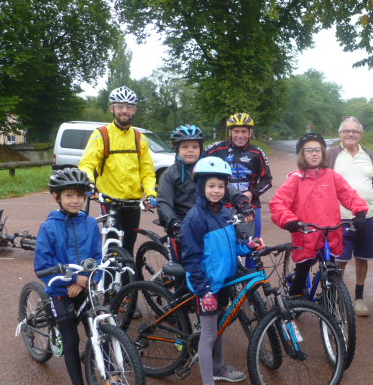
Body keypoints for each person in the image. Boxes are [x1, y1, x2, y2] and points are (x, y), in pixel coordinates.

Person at [181, 156, 262, 385]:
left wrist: (247, 246)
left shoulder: (226, 213)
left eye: (220, 186)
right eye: (211, 186)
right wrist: (204, 291)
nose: (216, 190)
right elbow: (191, 260)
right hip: (206, 285)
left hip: (224, 279)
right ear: (201, 187)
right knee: (207, 335)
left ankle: (219, 366)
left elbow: (231, 247)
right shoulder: (194, 219)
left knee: (220, 326)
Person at [34, 168, 103, 385]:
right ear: (57, 197)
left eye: (80, 196)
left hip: (86, 286)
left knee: (98, 328)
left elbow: (97, 255)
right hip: (60, 289)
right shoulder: (49, 227)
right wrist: (73, 280)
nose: (76, 200)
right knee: (72, 339)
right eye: (69, 195)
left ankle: (113, 377)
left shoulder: (90, 223)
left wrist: (89, 279)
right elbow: (42, 265)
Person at [270, 132, 369, 297]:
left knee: (331, 268)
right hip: (305, 233)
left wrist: (359, 212)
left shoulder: (332, 176)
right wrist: (289, 220)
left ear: (323, 153)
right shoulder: (296, 179)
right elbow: (278, 204)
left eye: (318, 150)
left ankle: (328, 299)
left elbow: (349, 195)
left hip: (331, 233)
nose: (314, 153)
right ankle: (294, 299)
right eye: (309, 150)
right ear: (302, 154)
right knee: (302, 271)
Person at [157, 124, 254, 262]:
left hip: (209, 222)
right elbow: (164, 202)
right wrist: (173, 223)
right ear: (177, 149)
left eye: (195, 147)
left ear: (200, 149)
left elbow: (226, 187)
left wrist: (242, 201)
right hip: (183, 227)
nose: (190, 151)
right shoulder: (169, 174)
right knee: (185, 271)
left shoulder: (207, 169)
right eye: (185, 147)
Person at [79, 86, 156, 256]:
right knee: (112, 245)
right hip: (110, 201)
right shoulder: (102, 135)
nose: (124, 110)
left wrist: (151, 193)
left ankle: (128, 281)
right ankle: (107, 280)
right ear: (112, 108)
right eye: (120, 106)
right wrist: (89, 183)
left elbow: (147, 171)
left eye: (129, 107)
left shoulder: (139, 138)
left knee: (128, 245)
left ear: (134, 111)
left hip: (133, 203)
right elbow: (87, 163)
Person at [327, 117, 373, 317]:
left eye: (355, 131)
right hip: (340, 217)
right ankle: (334, 294)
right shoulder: (331, 154)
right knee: (339, 260)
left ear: (361, 135)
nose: (351, 134)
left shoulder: (370, 156)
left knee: (362, 257)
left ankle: (359, 297)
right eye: (347, 131)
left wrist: (371, 205)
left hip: (367, 215)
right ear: (340, 133)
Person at [203, 113, 272, 264]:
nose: (240, 135)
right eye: (236, 131)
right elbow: (196, 165)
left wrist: (251, 193)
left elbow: (267, 180)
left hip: (250, 206)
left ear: (250, 133)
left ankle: (251, 284)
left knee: (252, 245)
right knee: (225, 246)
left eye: (244, 131)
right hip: (223, 206)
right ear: (230, 132)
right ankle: (230, 283)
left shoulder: (257, 152)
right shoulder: (215, 149)